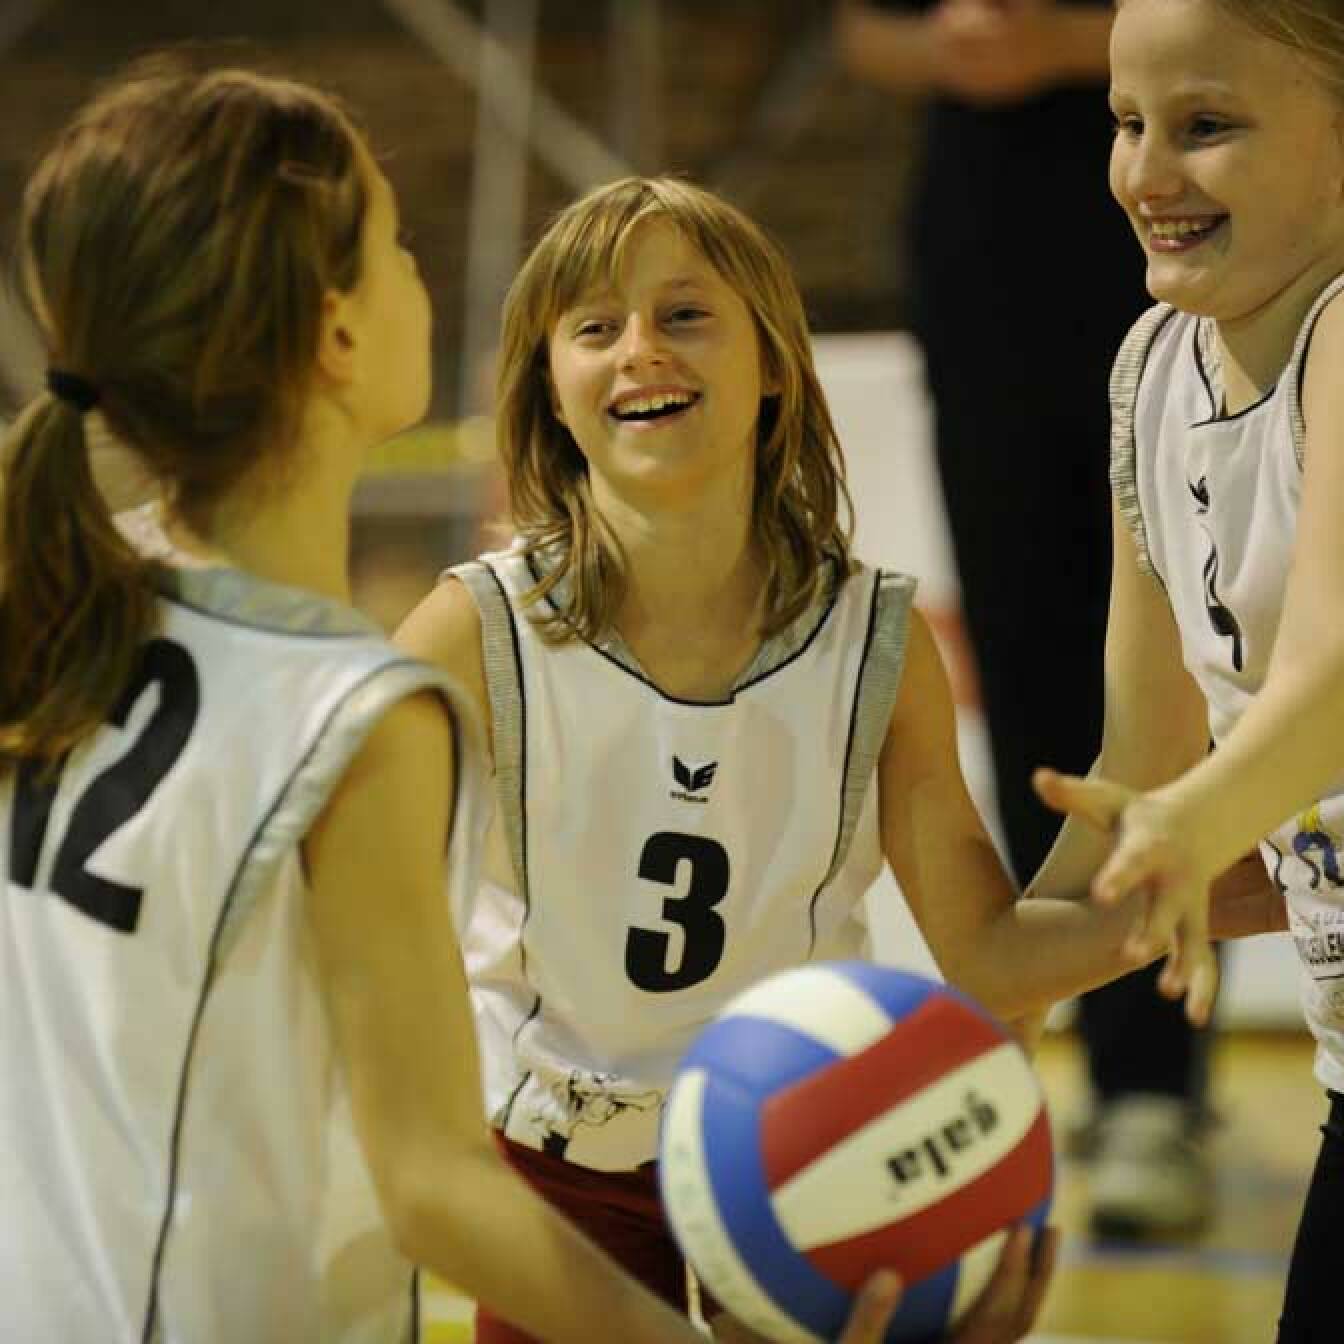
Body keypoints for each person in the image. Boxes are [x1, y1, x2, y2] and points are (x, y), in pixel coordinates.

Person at [0, 59, 1053, 1344]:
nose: (426, 273)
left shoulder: (68, 615)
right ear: (338, 334)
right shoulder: (353, 710)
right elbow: (434, 1184)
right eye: (396, 246)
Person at [393, 173, 1281, 1344]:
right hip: (554, 1170)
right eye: (595, 328)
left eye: (685, 314)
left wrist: (1178, 904)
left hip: (804, 1159)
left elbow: (986, 955)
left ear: (774, 362)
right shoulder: (471, 632)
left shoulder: (874, 641)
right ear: (548, 390)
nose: (641, 349)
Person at [835, 0, 1216, 1239]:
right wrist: (946, 53)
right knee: (1028, 671)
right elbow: (865, 31)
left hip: (1143, 265)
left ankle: (1153, 1080)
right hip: (981, 263)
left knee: (1173, 680)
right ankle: (1057, 1040)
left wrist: (1066, 49)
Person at [1024, 0, 1344, 1337]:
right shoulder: (1152, 368)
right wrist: (965, 1010)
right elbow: (1141, 764)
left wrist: (1198, 827)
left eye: (1205, 126)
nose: (1146, 172)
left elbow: (1331, 685)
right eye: (1126, 122)